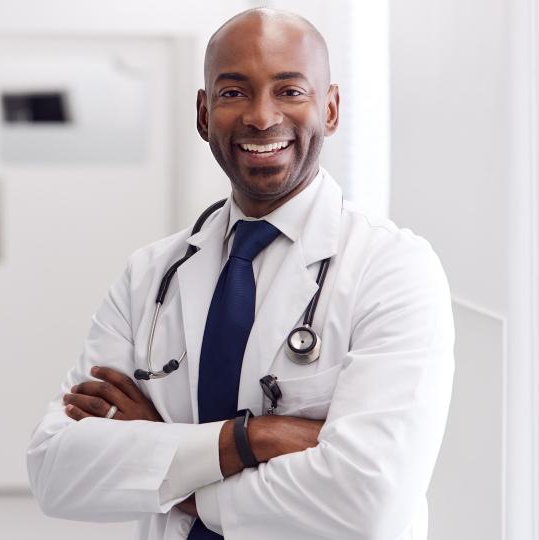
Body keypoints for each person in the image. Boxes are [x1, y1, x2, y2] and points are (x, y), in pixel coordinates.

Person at [26, 7, 454, 540]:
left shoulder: (393, 271)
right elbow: (57, 470)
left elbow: (367, 501)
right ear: (203, 114)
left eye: (290, 91)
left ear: (331, 108)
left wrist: (168, 465)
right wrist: (252, 440)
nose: (261, 116)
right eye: (234, 93)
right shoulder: (149, 277)